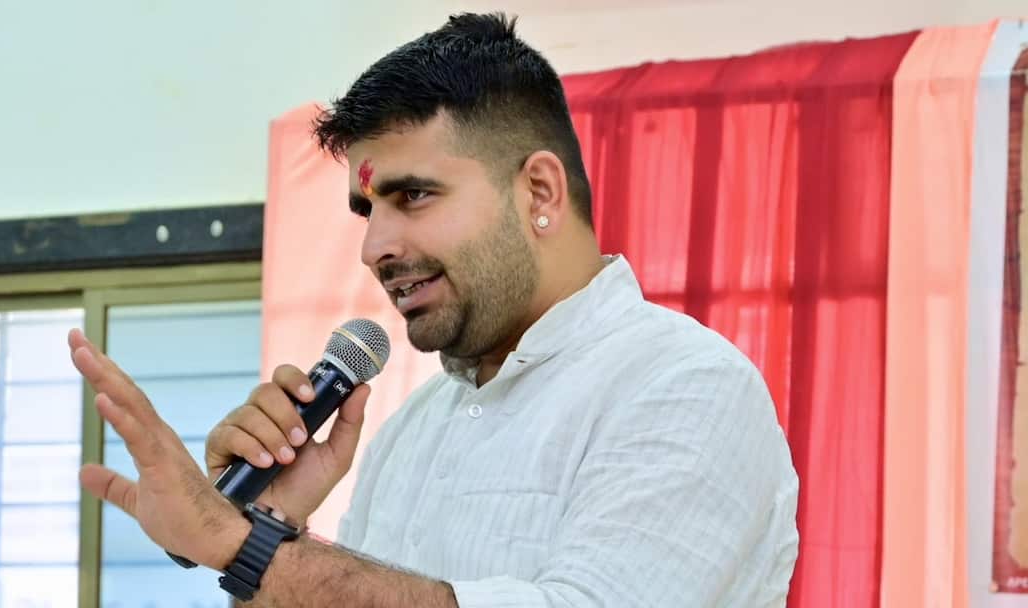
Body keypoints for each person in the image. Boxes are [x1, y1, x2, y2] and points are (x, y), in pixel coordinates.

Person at [69, 12, 799, 607]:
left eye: (413, 195)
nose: (374, 248)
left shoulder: (686, 386)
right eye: (367, 211)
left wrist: (236, 544)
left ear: (539, 192)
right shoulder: (413, 430)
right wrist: (275, 519)